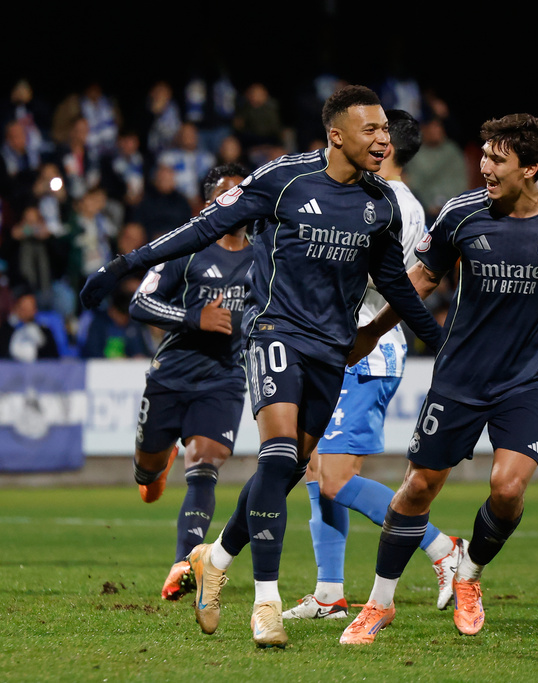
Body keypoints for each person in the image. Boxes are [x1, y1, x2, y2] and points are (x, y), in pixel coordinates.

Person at [79, 84, 444, 649]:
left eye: (384, 131)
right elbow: (201, 227)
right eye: (371, 129)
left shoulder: (381, 204)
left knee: (287, 470)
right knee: (276, 457)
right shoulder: (283, 179)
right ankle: (266, 603)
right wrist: (123, 266)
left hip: (332, 351)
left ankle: (216, 557)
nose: (383, 139)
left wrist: (439, 340)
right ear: (336, 135)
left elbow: (395, 282)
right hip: (273, 333)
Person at [339, 113, 538, 644]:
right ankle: (379, 604)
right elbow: (420, 277)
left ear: (530, 168)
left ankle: (469, 573)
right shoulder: (461, 214)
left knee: (508, 489)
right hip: (460, 378)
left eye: (497, 159)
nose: (484, 167)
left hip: (528, 380)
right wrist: (374, 330)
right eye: (485, 155)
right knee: (419, 486)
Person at [284, 110, 465, 622]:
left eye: (377, 135)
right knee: (317, 472)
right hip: (344, 349)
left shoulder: (395, 206)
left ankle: (442, 548)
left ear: (387, 149)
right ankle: (328, 594)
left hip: (369, 350)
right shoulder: (379, 198)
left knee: (337, 478)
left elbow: (392, 283)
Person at [126, 163, 251, 601]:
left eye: (242, 194)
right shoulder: (188, 250)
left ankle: (183, 563)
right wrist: (194, 318)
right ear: (209, 203)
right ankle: (154, 470)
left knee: (206, 463)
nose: (234, 202)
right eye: (225, 194)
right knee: (147, 469)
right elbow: (140, 302)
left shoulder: (266, 257)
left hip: (223, 379)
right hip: (172, 375)